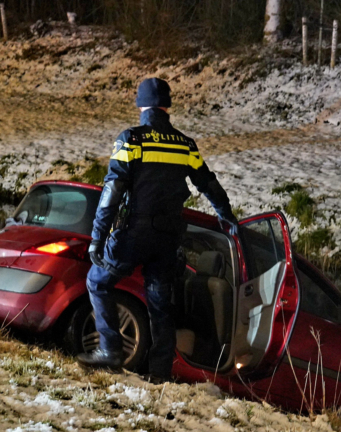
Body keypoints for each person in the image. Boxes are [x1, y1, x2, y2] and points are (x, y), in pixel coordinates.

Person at [77, 77, 238, 381]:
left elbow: (112, 192)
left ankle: (111, 350)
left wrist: (98, 236)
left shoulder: (131, 140)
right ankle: (160, 374)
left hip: (133, 233)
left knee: (98, 282)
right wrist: (226, 214)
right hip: (168, 239)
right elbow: (209, 184)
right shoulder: (185, 145)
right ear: (167, 105)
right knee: (161, 305)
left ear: (140, 105)